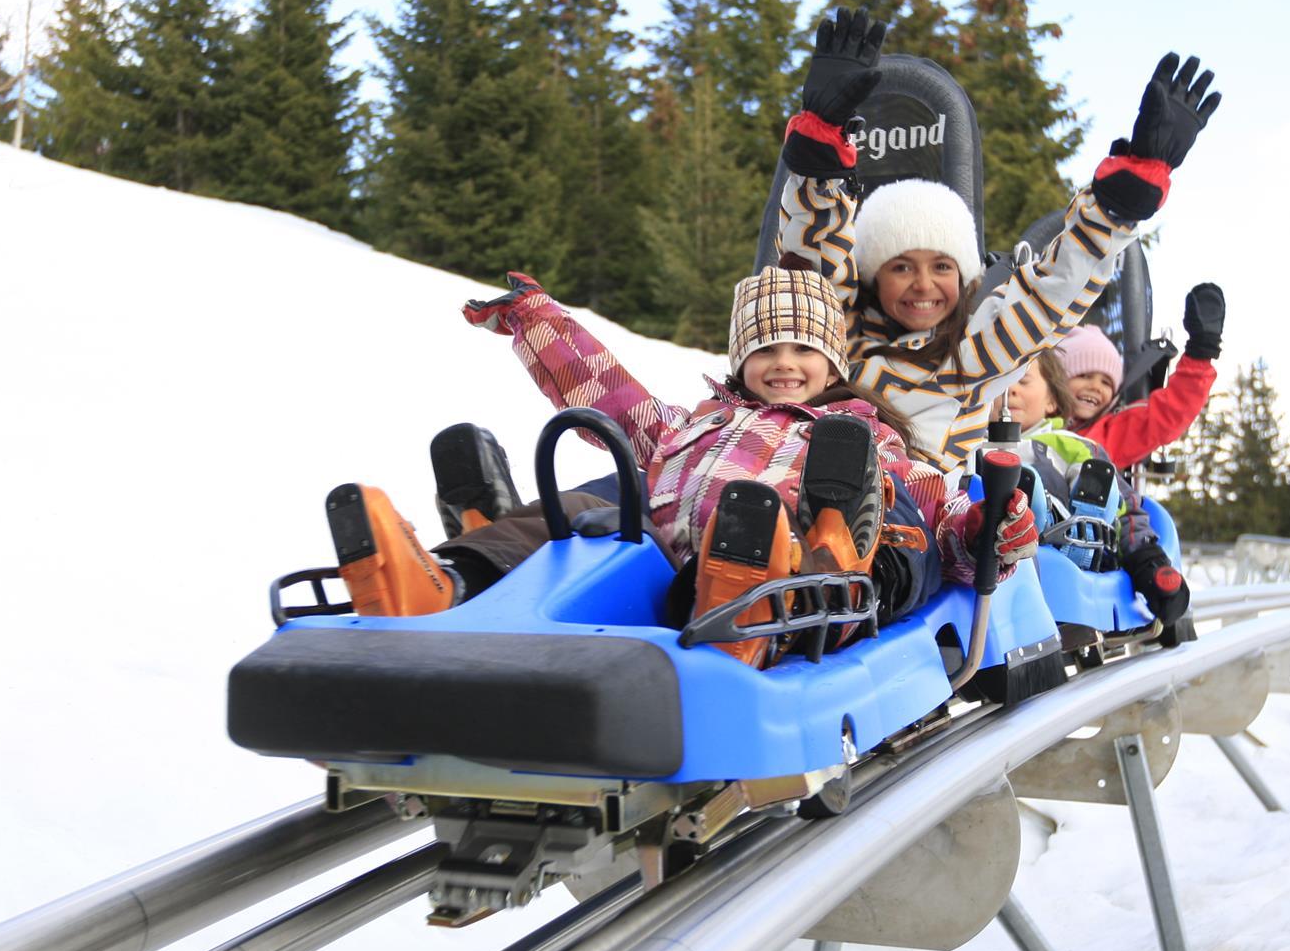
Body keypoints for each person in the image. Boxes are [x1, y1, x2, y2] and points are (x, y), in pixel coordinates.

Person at [327, 266, 1037, 668]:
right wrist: (535, 318)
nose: (784, 364)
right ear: (739, 361)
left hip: (789, 566)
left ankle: (773, 604)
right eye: (765, 350)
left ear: (833, 364)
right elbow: (601, 387)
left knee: (816, 521)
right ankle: (444, 582)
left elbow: (940, 516)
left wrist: (987, 530)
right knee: (577, 510)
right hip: (675, 574)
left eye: (803, 350)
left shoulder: (864, 436)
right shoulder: (688, 425)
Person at [775, 8, 1222, 475]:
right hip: (806, 485)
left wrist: (1118, 204)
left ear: (964, 277)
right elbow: (814, 260)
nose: (923, 283)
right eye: (902, 266)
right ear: (873, 275)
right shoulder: (838, 334)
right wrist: (819, 155)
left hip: (911, 504)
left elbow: (1050, 297)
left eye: (942, 267)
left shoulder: (968, 354)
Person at [1004, 348, 1189, 629]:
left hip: (1060, 554)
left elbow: (1128, 509)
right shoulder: (968, 450)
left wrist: (1147, 561)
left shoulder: (1068, 444)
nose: (1009, 391)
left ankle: (1082, 520)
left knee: (1052, 478)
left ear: (1052, 400)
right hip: (993, 554)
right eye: (999, 383)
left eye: (1022, 380)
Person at [1056, 283, 1226, 471]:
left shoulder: (1108, 438)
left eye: (1106, 383)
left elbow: (1169, 412)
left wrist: (1200, 352)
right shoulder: (1037, 416)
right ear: (1058, 382)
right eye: (1084, 376)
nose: (1096, 387)